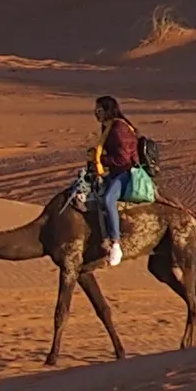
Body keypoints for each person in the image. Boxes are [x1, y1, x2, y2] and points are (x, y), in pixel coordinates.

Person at [82, 94, 150, 267]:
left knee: (108, 200)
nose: (96, 114)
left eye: (99, 110)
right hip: (115, 172)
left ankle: (116, 244)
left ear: (107, 111)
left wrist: (100, 161)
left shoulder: (119, 129)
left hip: (126, 173)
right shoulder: (109, 127)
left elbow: (123, 159)